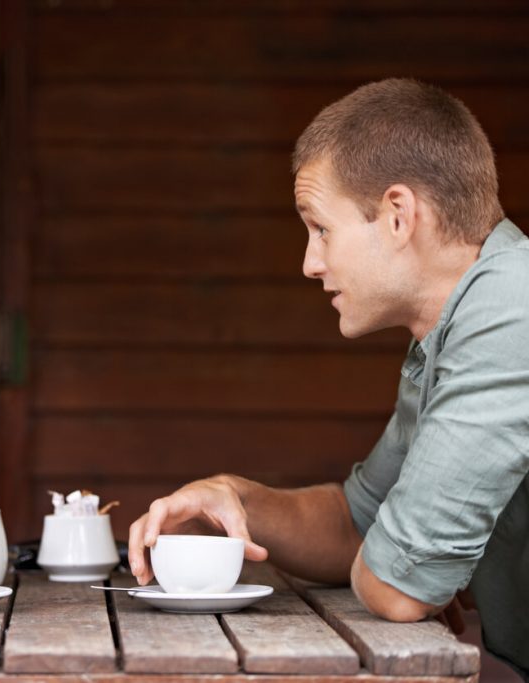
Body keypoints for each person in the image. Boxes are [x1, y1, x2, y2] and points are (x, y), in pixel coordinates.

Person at [127, 78, 528, 677]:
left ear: (397, 215)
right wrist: (234, 497)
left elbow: (398, 589)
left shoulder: (509, 307)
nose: (310, 263)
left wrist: (416, 570)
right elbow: (357, 523)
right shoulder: (450, 329)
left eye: (320, 227)